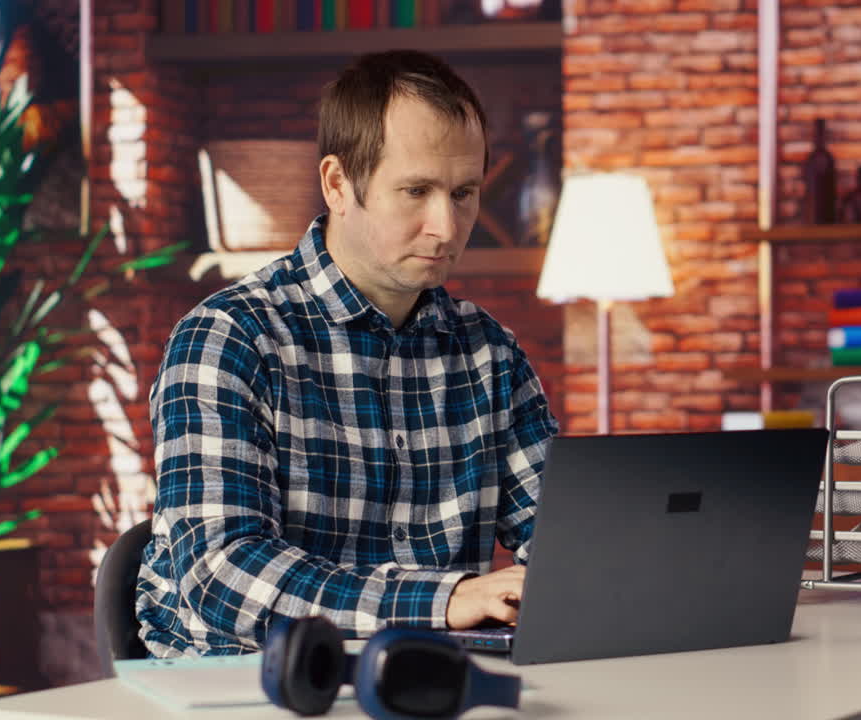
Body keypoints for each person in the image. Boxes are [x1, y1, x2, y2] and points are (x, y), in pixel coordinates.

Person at [135, 50, 558, 657]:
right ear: (338, 184)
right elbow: (223, 574)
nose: (446, 225)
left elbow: (559, 543)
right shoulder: (228, 338)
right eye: (416, 191)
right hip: (242, 686)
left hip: (423, 680)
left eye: (464, 192)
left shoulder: (491, 355)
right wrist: (443, 599)